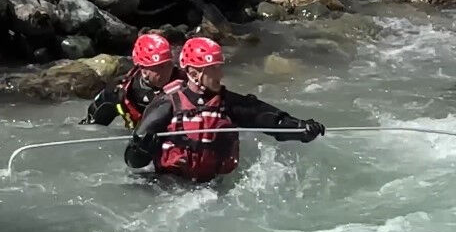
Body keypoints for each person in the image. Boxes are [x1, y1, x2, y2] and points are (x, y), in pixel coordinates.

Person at [124, 37, 326, 182]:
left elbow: (271, 121)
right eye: (213, 69)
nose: (220, 75)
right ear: (193, 73)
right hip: (169, 187)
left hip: (213, 187)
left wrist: (301, 129)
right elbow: (133, 160)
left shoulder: (228, 103)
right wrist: (142, 148)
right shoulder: (166, 103)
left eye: (219, 67)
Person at [81, 33, 185, 128]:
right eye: (160, 67)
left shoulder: (186, 83)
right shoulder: (119, 91)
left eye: (168, 64)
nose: (167, 69)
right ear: (143, 70)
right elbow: (90, 128)